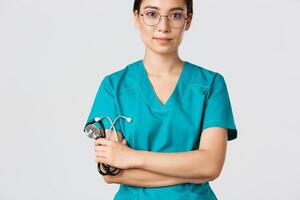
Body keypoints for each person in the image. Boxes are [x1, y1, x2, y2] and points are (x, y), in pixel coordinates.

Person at [85, 0, 238, 199]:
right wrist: (191, 172)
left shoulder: (210, 85)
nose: (163, 27)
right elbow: (111, 172)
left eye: (175, 15)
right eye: (151, 14)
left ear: (188, 20)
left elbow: (210, 166)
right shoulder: (114, 86)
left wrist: (131, 157)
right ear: (136, 18)